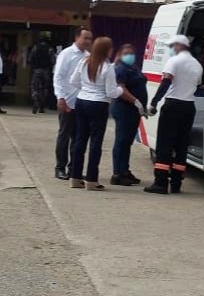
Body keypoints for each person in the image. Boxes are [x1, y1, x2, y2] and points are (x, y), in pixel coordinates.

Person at [68, 37, 142, 191]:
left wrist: (87, 88)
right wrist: (121, 90)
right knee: (95, 143)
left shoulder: (84, 62)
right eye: (110, 48)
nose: (112, 50)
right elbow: (111, 92)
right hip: (99, 104)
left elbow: (73, 81)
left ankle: (75, 177)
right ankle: (91, 179)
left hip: (82, 101)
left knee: (80, 140)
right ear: (105, 50)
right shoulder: (107, 68)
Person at [145, 35, 203, 195]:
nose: (172, 48)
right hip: (189, 106)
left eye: (172, 46)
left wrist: (154, 102)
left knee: (164, 144)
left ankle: (160, 183)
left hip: (173, 105)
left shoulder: (174, 61)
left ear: (179, 45)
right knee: (182, 145)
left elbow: (166, 82)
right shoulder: (197, 65)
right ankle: (176, 183)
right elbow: (196, 86)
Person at [52, 27, 92, 180]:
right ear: (77, 38)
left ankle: (73, 168)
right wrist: (60, 97)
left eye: (90, 38)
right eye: (85, 38)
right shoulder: (66, 54)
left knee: (78, 137)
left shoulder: (88, 56)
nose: (88, 41)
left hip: (82, 102)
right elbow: (58, 77)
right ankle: (60, 167)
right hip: (67, 101)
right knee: (64, 135)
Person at [110, 44, 148, 186]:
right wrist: (136, 101)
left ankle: (125, 170)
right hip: (124, 108)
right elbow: (121, 88)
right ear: (120, 54)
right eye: (127, 53)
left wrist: (142, 106)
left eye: (132, 53)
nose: (130, 56)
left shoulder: (133, 67)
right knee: (121, 141)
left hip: (133, 110)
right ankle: (117, 173)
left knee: (127, 142)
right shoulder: (120, 68)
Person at [28, 37, 54, 114]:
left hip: (37, 71)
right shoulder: (50, 49)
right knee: (45, 88)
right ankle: (42, 106)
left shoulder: (35, 48)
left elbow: (30, 59)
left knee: (34, 87)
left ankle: (35, 98)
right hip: (46, 71)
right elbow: (53, 60)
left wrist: (33, 67)